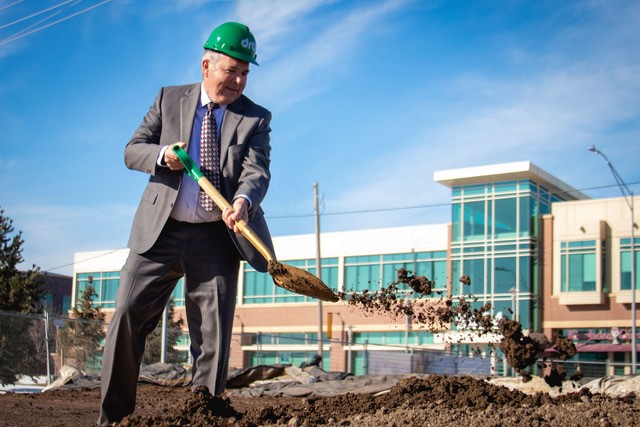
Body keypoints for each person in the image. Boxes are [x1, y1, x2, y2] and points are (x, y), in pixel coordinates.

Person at [98, 22, 274, 425]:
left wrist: (244, 201)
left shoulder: (255, 118)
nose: (239, 80)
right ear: (206, 65)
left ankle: (202, 419)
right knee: (126, 317)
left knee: (212, 339)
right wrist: (164, 156)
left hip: (216, 237)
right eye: (231, 70)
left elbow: (256, 172)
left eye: (245, 72)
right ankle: (113, 419)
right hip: (160, 233)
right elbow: (132, 151)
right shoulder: (169, 99)